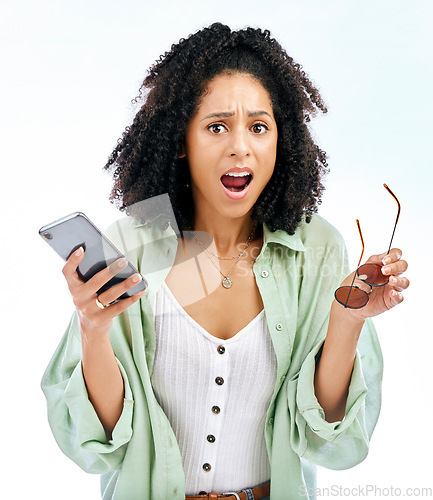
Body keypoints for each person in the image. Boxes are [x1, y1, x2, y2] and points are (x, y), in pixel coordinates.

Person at [41, 23, 409, 500]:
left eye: (259, 127)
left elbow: (325, 441)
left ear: (281, 140)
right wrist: (93, 328)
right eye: (217, 126)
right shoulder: (133, 241)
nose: (241, 146)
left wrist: (347, 320)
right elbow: (103, 446)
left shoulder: (316, 247)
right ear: (181, 139)